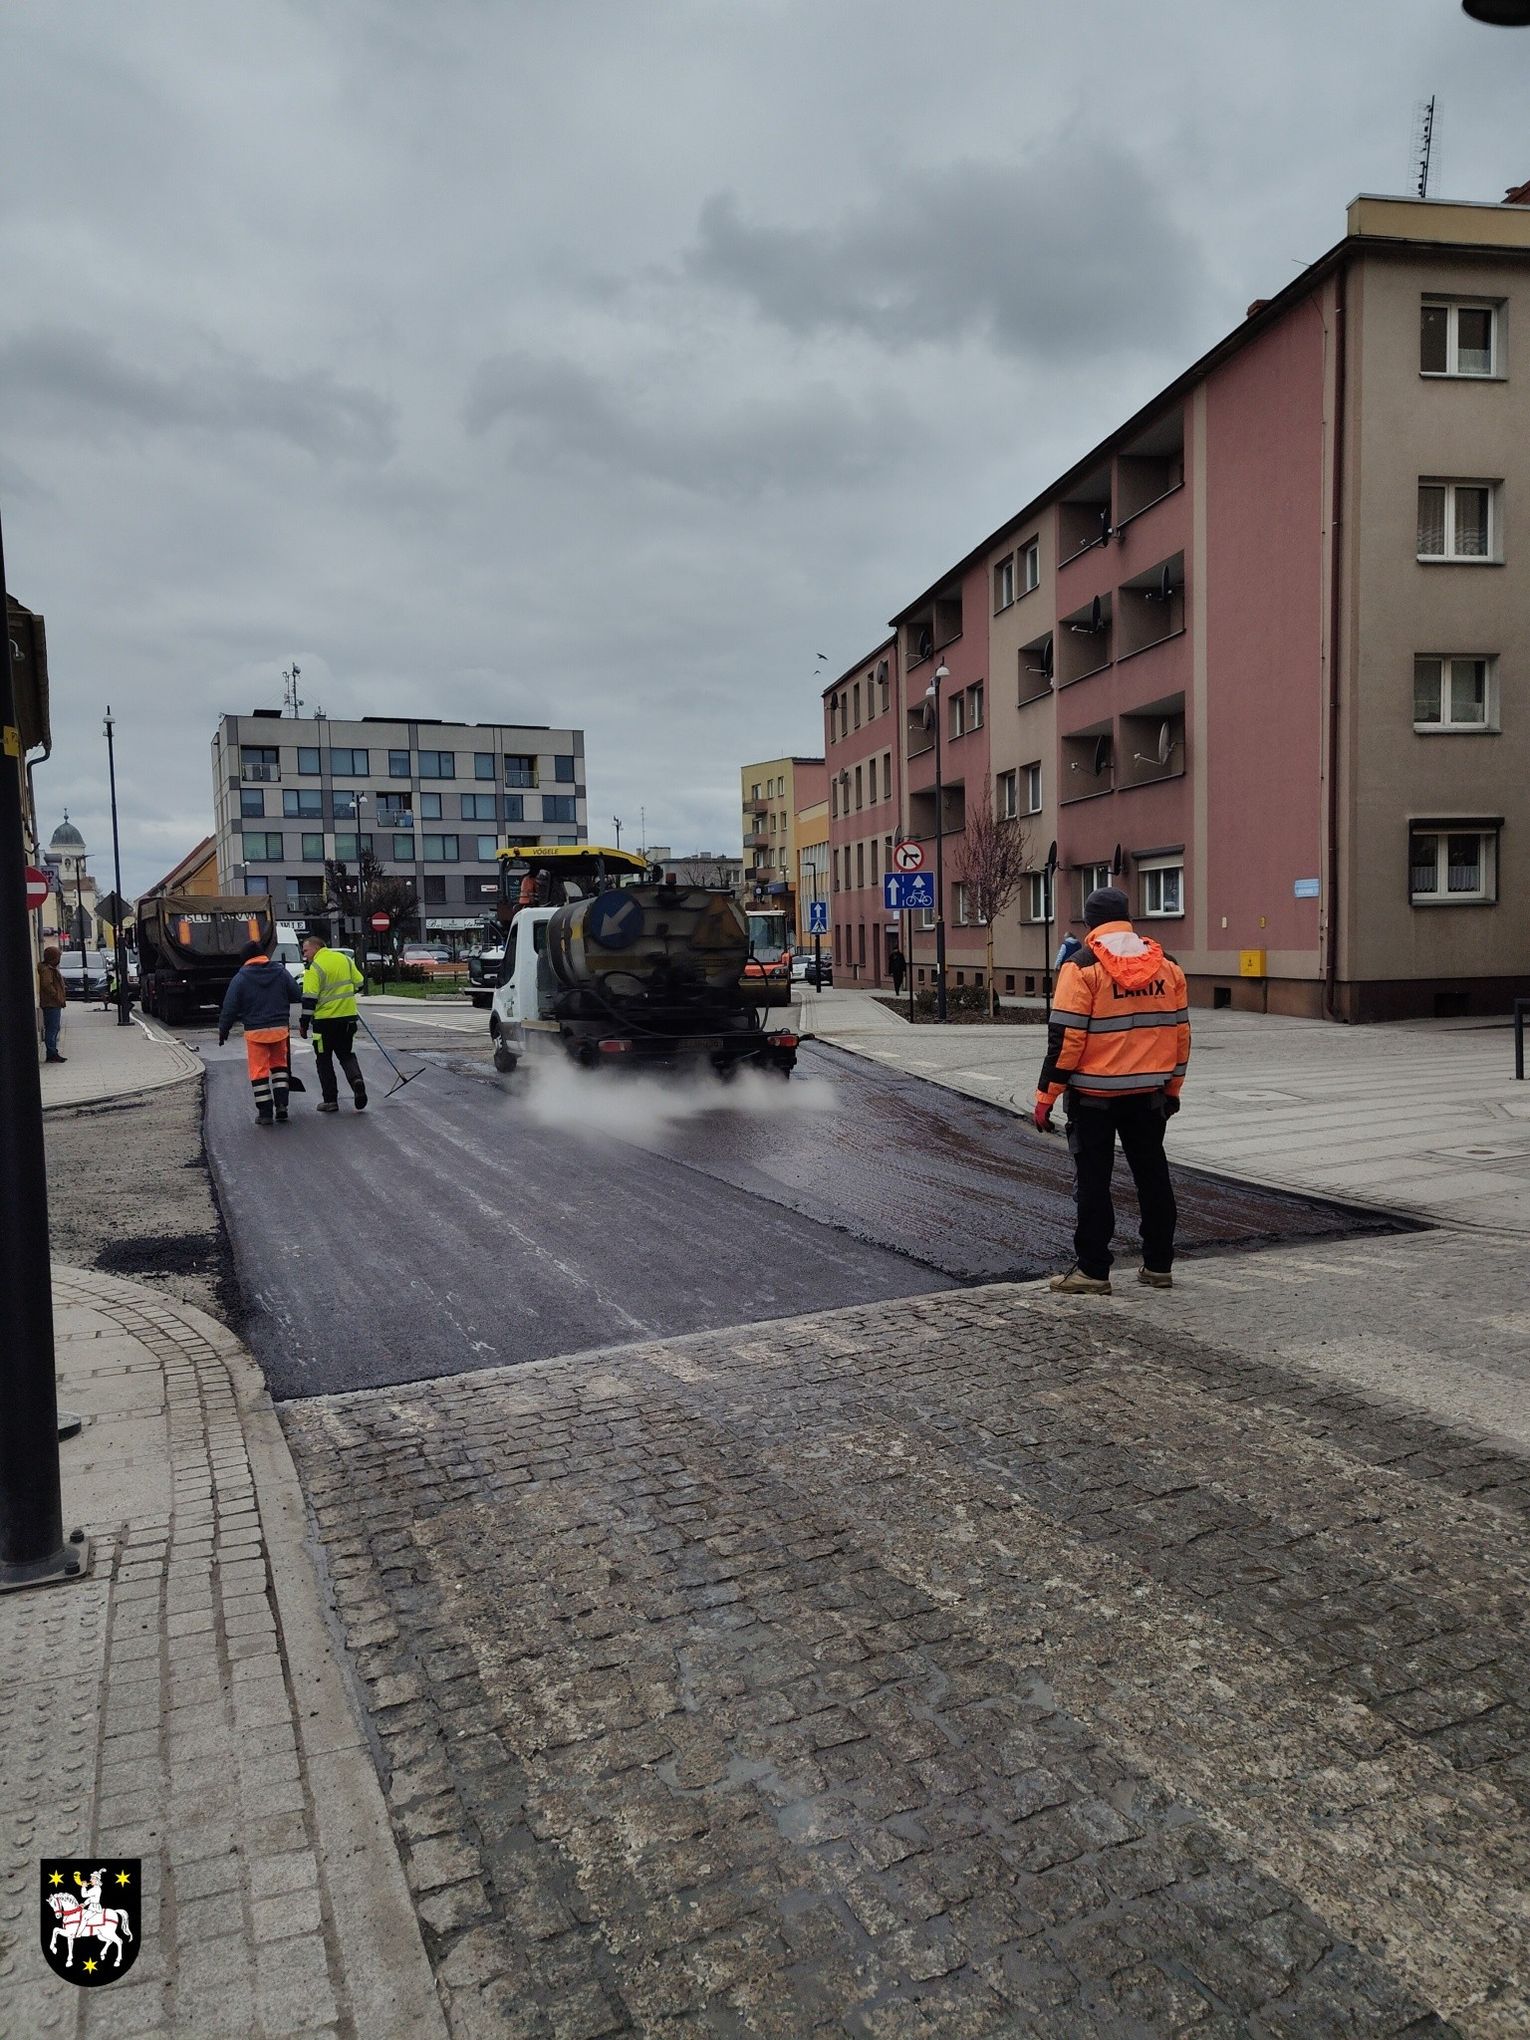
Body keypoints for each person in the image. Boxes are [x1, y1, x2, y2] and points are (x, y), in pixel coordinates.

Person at [1034, 885, 1191, 1295]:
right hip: (1149, 1096)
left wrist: (1046, 1096)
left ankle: (1093, 1270)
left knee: (1093, 1183)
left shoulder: (1082, 967)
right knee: (1153, 1177)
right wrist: (1172, 1089)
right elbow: (1181, 1036)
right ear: (1128, 918)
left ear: (1090, 923)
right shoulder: (1168, 966)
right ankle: (1158, 1266)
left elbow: (1066, 1040)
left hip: (1094, 1099)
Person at [219, 939, 300, 1124]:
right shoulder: (280, 971)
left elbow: (230, 1007)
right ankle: (282, 1106)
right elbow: (296, 993)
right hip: (279, 1029)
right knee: (279, 1067)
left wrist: (224, 1030)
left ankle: (265, 1114)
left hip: (256, 1031)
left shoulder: (241, 977)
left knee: (259, 1071)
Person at [300, 934, 367, 1114]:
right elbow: (360, 983)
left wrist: (303, 1025)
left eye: (306, 951)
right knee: (346, 1055)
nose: (304, 955)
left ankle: (330, 1101)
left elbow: (309, 1001)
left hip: (324, 1023)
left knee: (324, 1060)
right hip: (347, 1019)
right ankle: (356, 1081)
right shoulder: (344, 959)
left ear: (316, 948)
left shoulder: (314, 967)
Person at [38, 943, 68, 1062]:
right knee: (52, 1028)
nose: (59, 960)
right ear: (53, 958)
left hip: (53, 1003)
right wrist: (56, 995)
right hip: (51, 1003)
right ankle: (51, 1053)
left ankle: (53, 1052)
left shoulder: (50, 969)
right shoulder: (47, 970)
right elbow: (47, 985)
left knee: (54, 1028)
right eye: (57, 957)